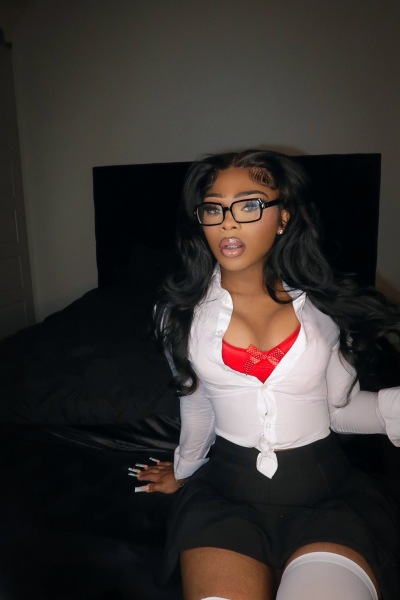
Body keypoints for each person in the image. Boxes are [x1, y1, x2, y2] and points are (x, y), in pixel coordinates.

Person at [134, 149, 400, 600]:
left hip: (327, 500)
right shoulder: (177, 314)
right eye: (214, 208)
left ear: (283, 218)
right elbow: (197, 405)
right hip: (225, 499)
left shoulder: (325, 310)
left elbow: (338, 410)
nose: (228, 223)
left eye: (249, 205)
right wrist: (183, 470)